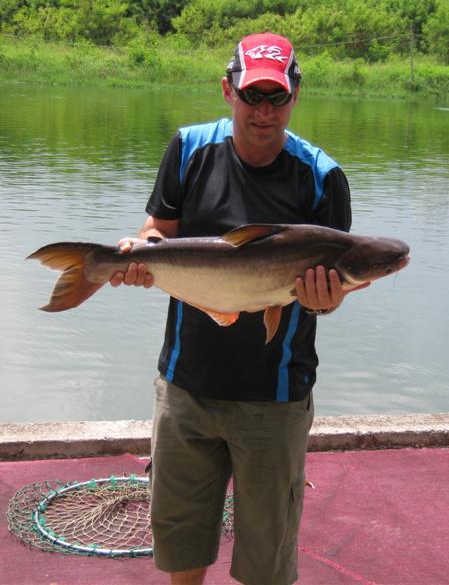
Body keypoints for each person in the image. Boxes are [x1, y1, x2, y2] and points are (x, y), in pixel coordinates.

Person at [110, 32, 364, 585]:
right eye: (253, 95)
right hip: (185, 386)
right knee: (181, 547)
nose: (263, 111)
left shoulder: (323, 178)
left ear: (296, 95)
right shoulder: (189, 147)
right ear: (228, 90)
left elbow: (328, 293)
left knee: (266, 564)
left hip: (273, 398)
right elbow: (159, 231)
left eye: (276, 96)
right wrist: (140, 252)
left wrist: (329, 299)